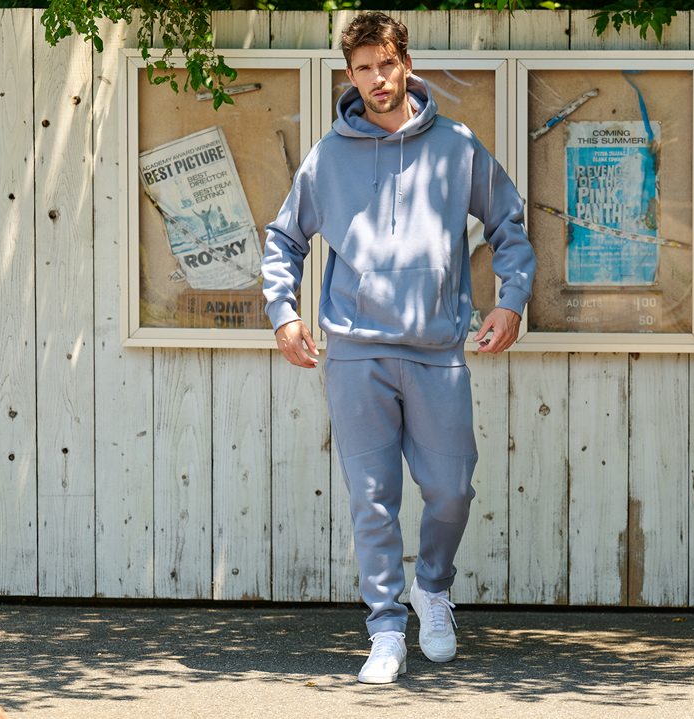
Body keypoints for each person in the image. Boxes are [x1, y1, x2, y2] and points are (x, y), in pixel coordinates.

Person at [261, 12, 535, 684]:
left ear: (405, 64)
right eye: (364, 69)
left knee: (452, 488)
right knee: (372, 498)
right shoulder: (328, 156)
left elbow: (507, 222)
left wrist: (511, 300)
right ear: (350, 75)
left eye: (386, 64)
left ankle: (432, 589)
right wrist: (283, 314)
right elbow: (284, 239)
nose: (377, 79)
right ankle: (385, 628)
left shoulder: (456, 146)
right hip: (356, 351)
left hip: (437, 350)